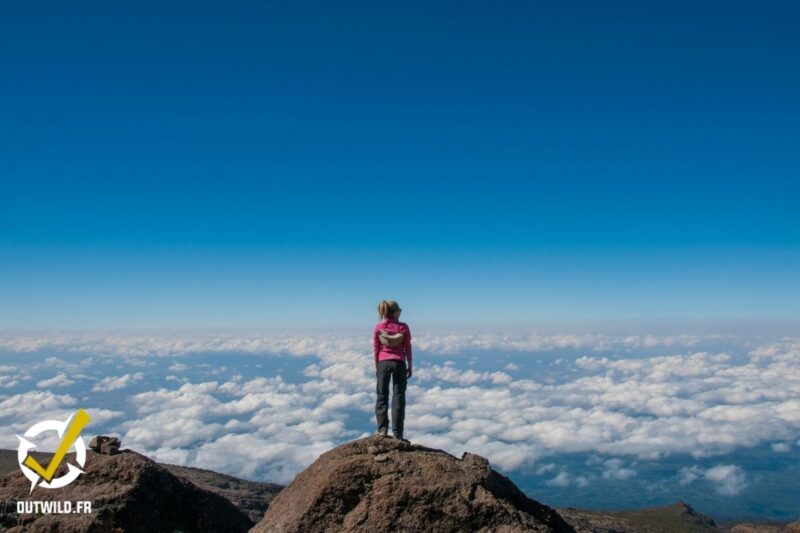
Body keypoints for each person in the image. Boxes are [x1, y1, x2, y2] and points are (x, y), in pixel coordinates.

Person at [373, 300, 413, 440]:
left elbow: (376, 347)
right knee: (399, 397)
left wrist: (377, 364)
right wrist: (410, 365)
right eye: (399, 309)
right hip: (399, 363)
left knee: (382, 396)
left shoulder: (379, 327)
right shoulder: (403, 327)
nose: (401, 311)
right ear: (395, 312)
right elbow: (407, 347)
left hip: (383, 363)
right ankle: (398, 434)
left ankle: (382, 430)